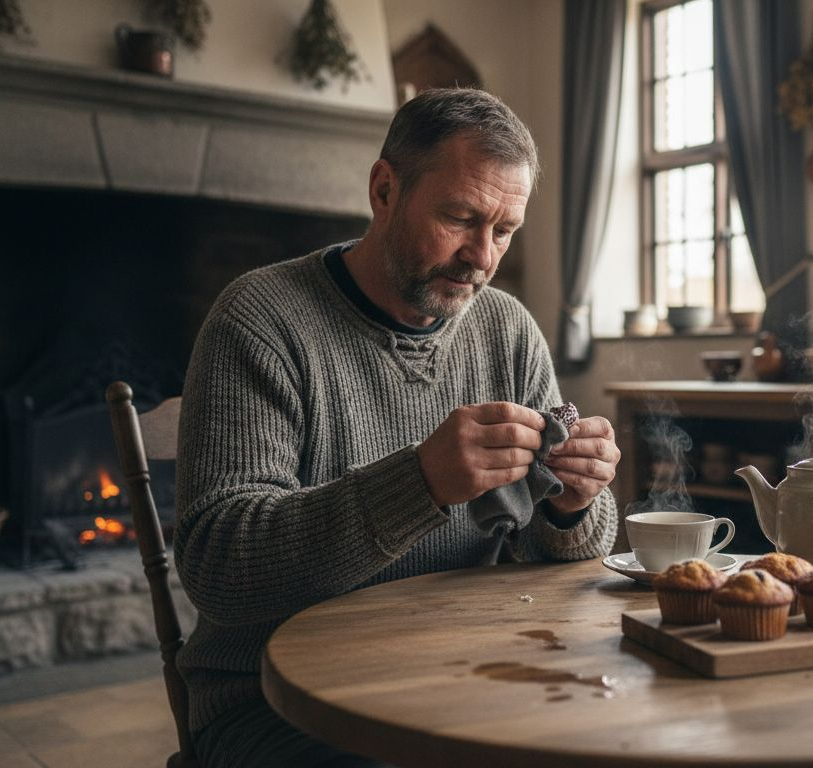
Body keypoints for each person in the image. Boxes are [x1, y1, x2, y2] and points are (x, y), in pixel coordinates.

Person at [174, 88, 620, 768]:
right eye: (460, 218)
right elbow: (218, 566)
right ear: (385, 190)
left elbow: (560, 554)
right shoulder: (260, 318)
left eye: (504, 231)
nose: (482, 257)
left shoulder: (507, 330)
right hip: (271, 699)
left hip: (469, 670)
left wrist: (573, 505)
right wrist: (420, 482)